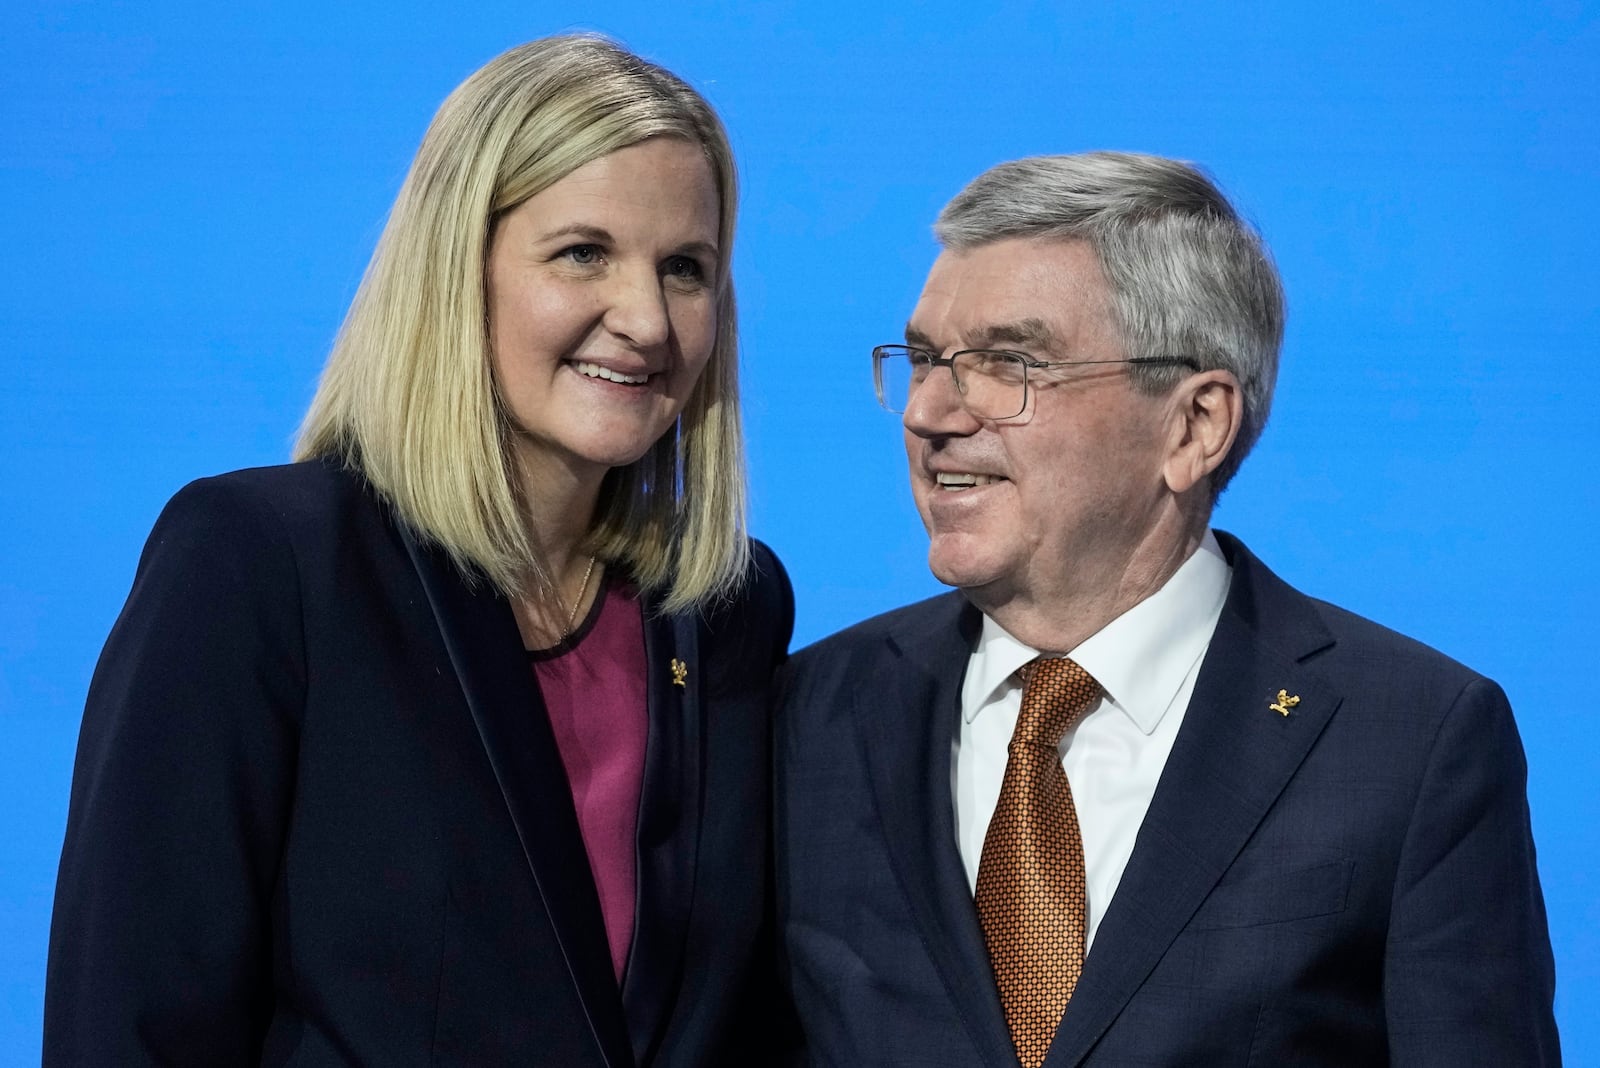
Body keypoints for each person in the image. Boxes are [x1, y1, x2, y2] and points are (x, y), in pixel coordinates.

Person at [46, 35, 792, 1066]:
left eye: (685, 268)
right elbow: (131, 1022)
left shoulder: (728, 612)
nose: (646, 319)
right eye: (583, 252)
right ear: (459, 267)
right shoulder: (262, 564)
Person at [775, 152, 1558, 1065]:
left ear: (1194, 426)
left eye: (1008, 363)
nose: (930, 412)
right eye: (922, 360)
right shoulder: (811, 713)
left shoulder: (1412, 740)